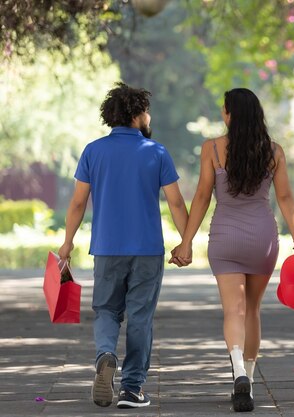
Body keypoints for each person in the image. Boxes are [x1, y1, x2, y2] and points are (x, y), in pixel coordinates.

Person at [170, 88, 294, 412]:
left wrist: (186, 241)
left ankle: (238, 372)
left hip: (225, 237)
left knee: (234, 311)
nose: (221, 113)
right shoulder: (274, 151)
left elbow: (202, 196)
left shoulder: (212, 149)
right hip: (263, 238)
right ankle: (250, 381)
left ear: (231, 114)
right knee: (253, 311)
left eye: (224, 109)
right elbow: (285, 199)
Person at [58, 82, 188, 409]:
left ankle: (105, 354)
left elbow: (77, 204)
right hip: (147, 250)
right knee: (140, 317)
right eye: (146, 111)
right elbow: (175, 203)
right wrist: (185, 243)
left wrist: (67, 243)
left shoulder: (93, 151)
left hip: (106, 247)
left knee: (106, 309)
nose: (149, 116)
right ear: (136, 114)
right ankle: (132, 389)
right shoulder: (156, 151)